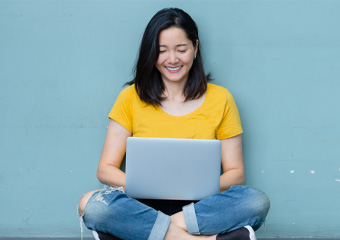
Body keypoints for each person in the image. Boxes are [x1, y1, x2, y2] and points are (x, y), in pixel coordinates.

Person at [78, 8, 270, 240]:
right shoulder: (130, 97)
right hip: (141, 206)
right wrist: (148, 186)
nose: (172, 59)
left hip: (200, 207)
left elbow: (236, 174)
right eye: (162, 51)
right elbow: (105, 169)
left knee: (255, 201)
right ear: (151, 53)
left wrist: (193, 190)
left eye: (181, 50)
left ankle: (153, 232)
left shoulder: (221, 99)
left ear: (195, 48)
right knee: (91, 204)